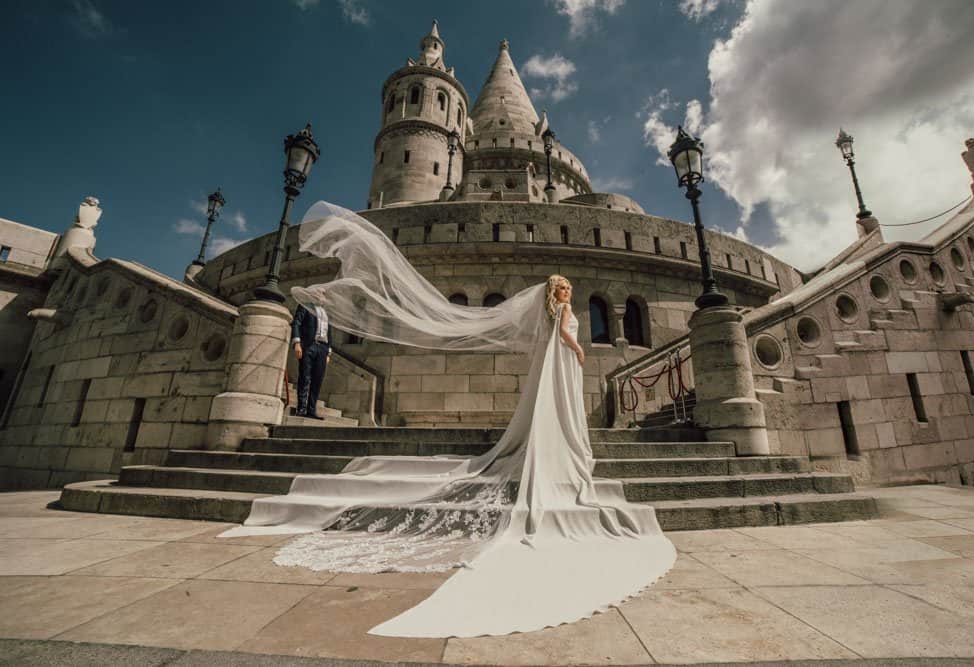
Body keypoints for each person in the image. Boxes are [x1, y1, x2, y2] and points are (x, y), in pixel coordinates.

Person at [221, 203, 676, 637]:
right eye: (566, 290)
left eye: (571, 292)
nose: (569, 294)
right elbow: (563, 335)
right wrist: (578, 349)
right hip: (564, 365)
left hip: (557, 369)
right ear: (557, 290)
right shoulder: (561, 314)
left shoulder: (554, 309)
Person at [290, 303, 334, 419]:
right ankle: (301, 408)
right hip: (309, 345)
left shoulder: (327, 312)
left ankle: (311, 410)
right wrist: (297, 343)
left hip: (322, 348)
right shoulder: (305, 306)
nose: (323, 295)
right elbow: (296, 323)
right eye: (320, 292)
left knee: (317, 380)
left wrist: (328, 351)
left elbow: (329, 332)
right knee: (305, 377)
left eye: (324, 294)